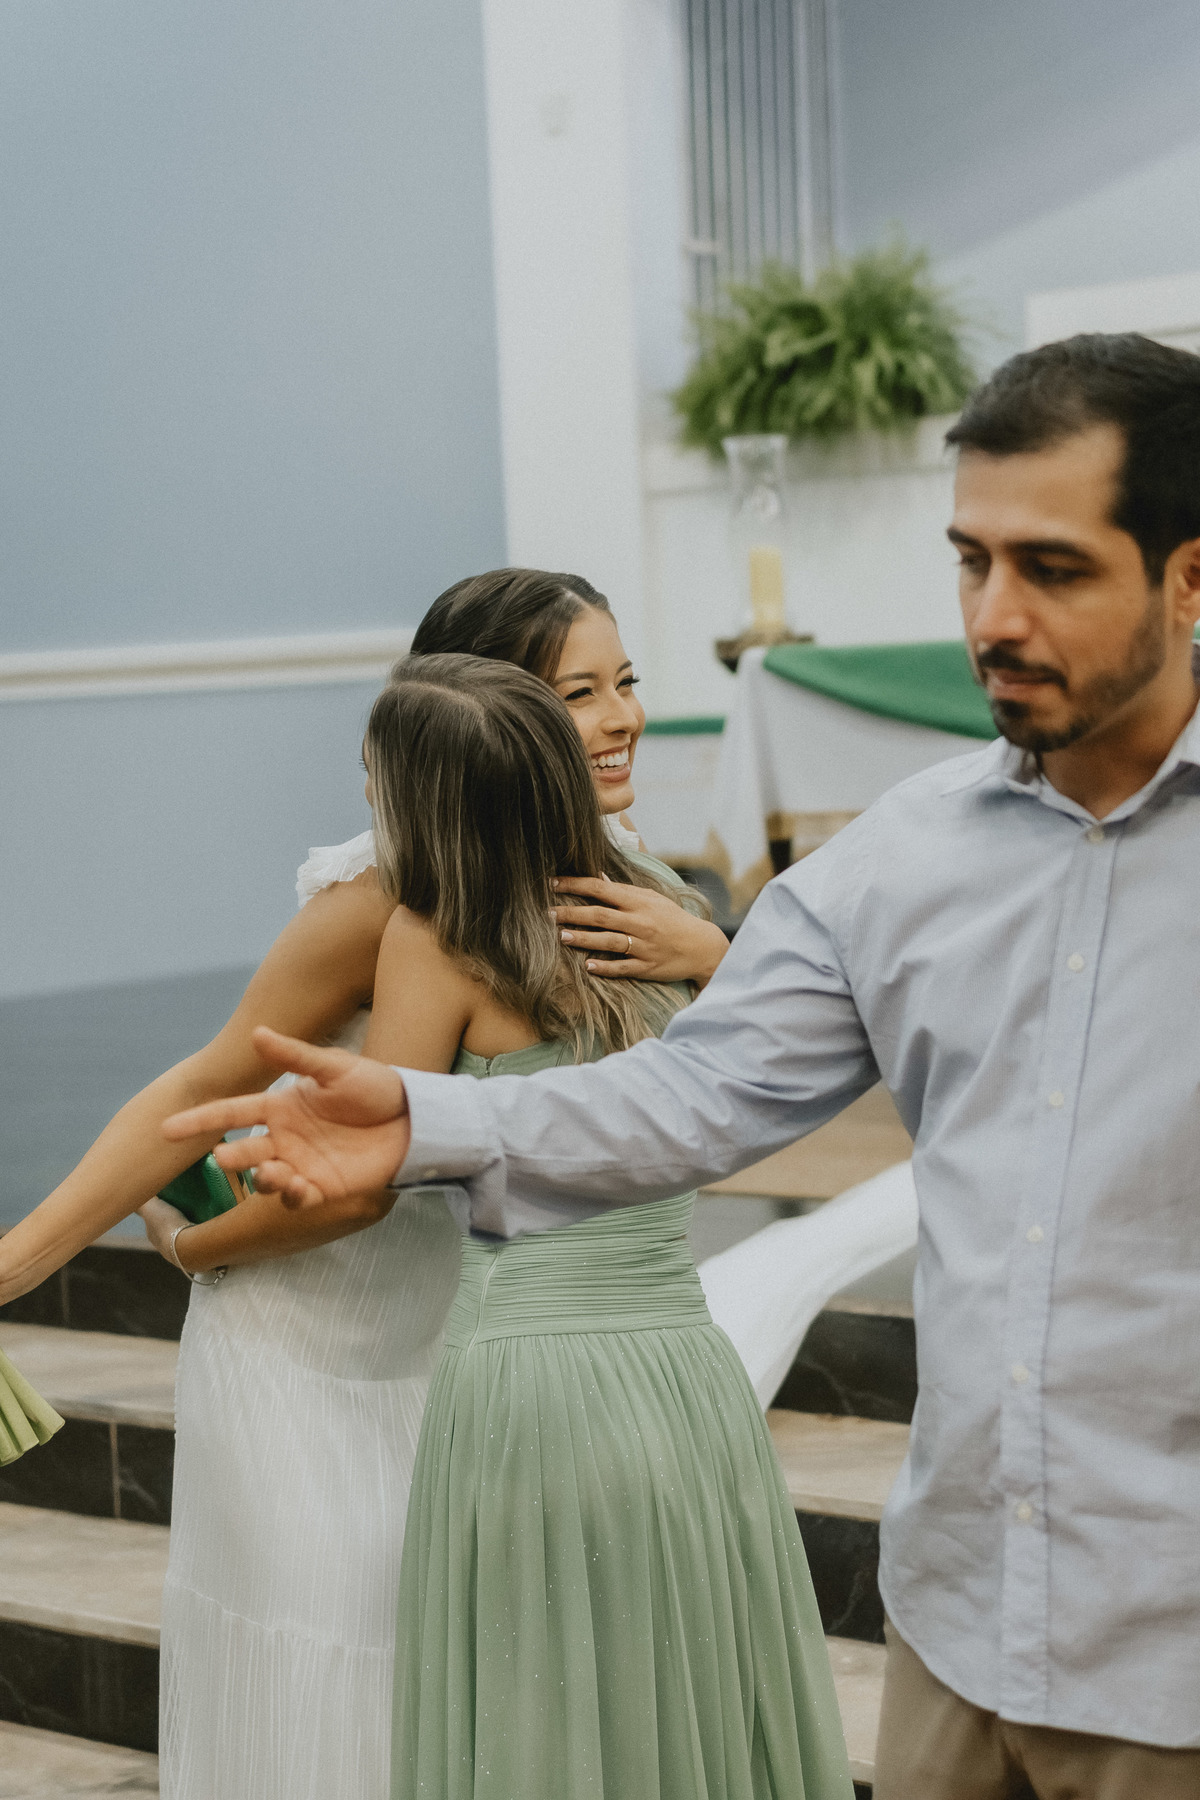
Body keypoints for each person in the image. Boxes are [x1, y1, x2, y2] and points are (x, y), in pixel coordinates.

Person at [182, 335, 1200, 1799]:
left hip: (1168, 1648)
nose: (994, 615)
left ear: (1187, 578)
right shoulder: (906, 855)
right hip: (964, 1623)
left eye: (1052, 569)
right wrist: (423, 1118)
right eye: (970, 562)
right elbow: (694, 1092)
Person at [0, 568, 727, 1800]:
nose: (621, 721)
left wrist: (715, 951)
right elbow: (207, 1089)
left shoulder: (635, 885)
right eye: (578, 695)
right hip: (321, 1343)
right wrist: (25, 1262)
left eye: (625, 684)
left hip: (478, 1350)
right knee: (334, 1678)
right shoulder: (382, 902)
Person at [293, 651, 855, 1799]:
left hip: (529, 1386)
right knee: (688, 1693)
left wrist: (193, 1235)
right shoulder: (667, 911)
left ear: (423, 799)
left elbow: (376, 1163)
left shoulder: (433, 939)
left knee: (546, 1713)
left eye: (376, 778)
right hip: (683, 1375)